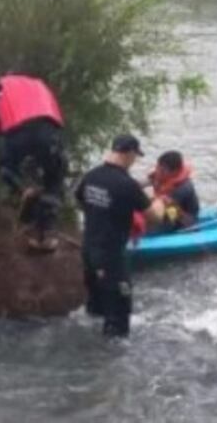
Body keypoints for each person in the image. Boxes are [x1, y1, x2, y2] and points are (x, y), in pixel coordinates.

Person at [0, 74, 67, 251]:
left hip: (19, 132)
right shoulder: (38, 88)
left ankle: (24, 190)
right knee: (53, 178)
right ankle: (47, 235)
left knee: (1, 165)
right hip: (51, 133)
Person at [76, 134, 165, 338]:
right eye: (136, 156)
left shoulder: (91, 176)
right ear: (130, 153)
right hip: (112, 257)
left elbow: (79, 201)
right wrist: (160, 202)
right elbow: (154, 217)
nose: (135, 160)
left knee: (95, 312)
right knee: (118, 320)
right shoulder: (126, 184)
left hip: (88, 252)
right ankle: (110, 363)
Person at [147, 150, 201, 232]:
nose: (158, 172)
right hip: (166, 212)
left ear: (174, 172)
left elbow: (173, 216)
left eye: (162, 171)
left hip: (181, 221)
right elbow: (139, 184)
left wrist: (168, 205)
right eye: (158, 168)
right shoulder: (161, 174)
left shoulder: (183, 189)